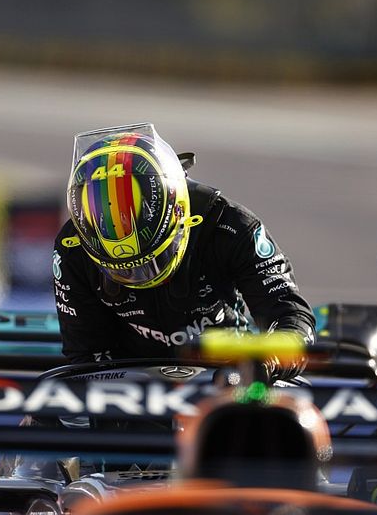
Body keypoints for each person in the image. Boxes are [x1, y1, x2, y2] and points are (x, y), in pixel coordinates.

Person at [53, 123, 315, 381]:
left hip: (229, 379)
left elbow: (290, 314)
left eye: (151, 262)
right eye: (122, 269)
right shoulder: (71, 248)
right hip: (130, 385)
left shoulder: (231, 226)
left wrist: (267, 361)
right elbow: (85, 356)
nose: (138, 277)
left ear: (179, 214)